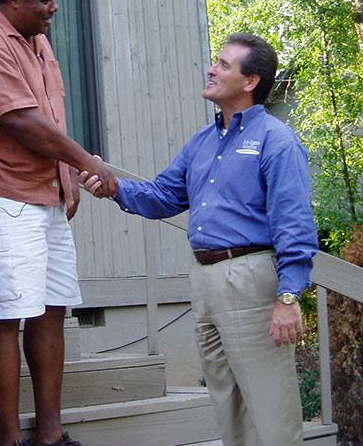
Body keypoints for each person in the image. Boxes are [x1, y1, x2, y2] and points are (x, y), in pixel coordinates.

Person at [79, 33, 319, 446]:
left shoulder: (276, 140)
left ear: (250, 81)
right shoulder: (202, 142)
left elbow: (294, 223)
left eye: (224, 65)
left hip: (250, 278)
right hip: (204, 280)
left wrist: (289, 296)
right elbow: (163, 196)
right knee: (228, 407)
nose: (211, 68)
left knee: (271, 409)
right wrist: (113, 187)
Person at [0, 0, 116, 446]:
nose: (55, 8)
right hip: (0, 196)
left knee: (52, 309)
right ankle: (10, 438)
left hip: (46, 197)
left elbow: (52, 117)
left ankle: (49, 434)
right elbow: (19, 120)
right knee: (6, 314)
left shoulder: (38, 42)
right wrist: (89, 160)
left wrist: (68, 174)